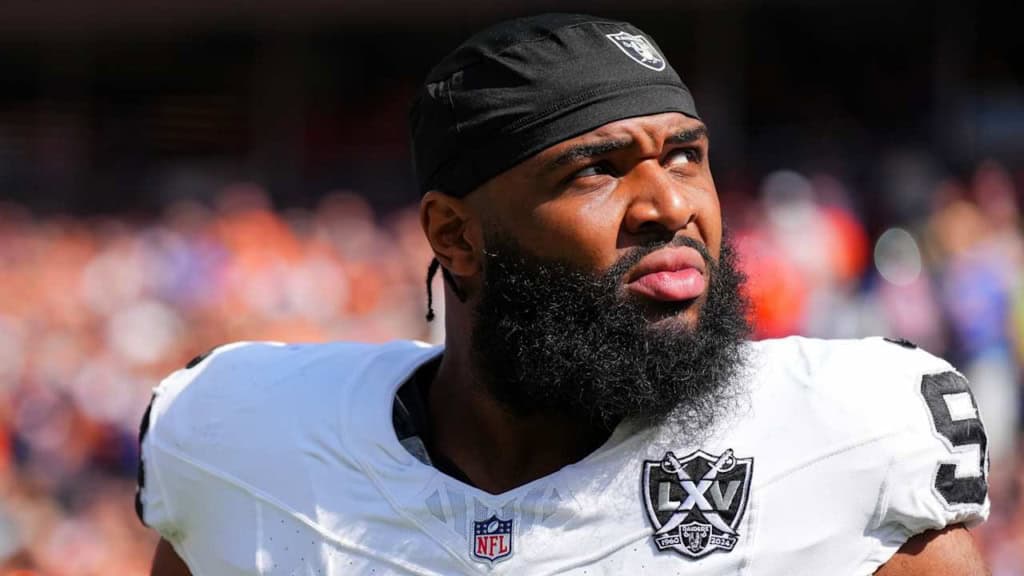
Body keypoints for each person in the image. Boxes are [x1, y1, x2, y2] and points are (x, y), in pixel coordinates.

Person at [139, 14, 990, 575]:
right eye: (597, 169)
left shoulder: (849, 442)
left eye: (687, 155)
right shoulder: (240, 440)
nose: (671, 204)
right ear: (454, 235)